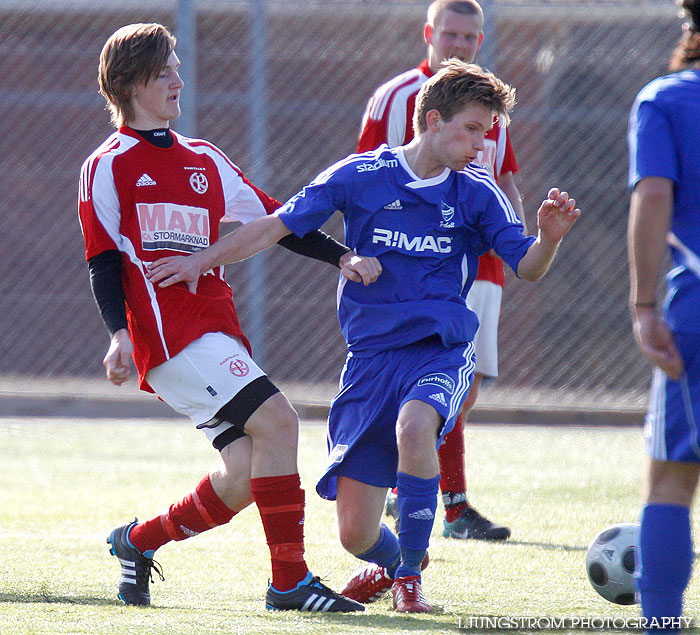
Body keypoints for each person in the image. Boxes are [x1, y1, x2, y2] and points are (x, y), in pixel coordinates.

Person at [147, 60, 581, 613]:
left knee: (416, 424)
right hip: (370, 361)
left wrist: (548, 239)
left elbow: (528, 266)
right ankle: (401, 562)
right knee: (355, 535)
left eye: (488, 132)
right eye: (472, 129)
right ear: (432, 119)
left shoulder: (478, 194)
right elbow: (277, 224)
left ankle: (408, 584)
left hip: (439, 351)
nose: (482, 144)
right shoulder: (359, 176)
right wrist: (201, 261)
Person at [77, 22, 376, 613]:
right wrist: (118, 335)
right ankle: (289, 583)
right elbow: (103, 262)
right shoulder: (106, 165)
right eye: (165, 71)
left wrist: (340, 256)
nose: (178, 80)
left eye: (175, 69)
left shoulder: (204, 159)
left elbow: (277, 220)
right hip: (169, 336)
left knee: (243, 471)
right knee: (281, 424)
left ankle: (135, 544)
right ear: (133, 81)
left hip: (213, 329)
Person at [358, 0, 523, 542]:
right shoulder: (396, 96)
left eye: (469, 37)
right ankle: (445, 502)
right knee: (428, 380)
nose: (458, 45)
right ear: (429, 33)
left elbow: (506, 177)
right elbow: (369, 178)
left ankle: (417, 487)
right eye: (449, 34)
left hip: (485, 262)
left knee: (464, 387)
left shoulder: (487, 100)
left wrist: (518, 240)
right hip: (424, 262)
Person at [627, 1, 700, 630]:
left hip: (696, 309)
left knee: (673, 478)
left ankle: (662, 624)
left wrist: (644, 305)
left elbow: (654, 195)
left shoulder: (667, 99)